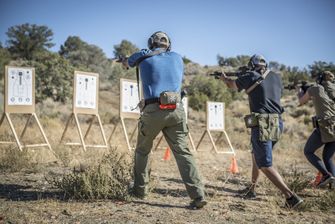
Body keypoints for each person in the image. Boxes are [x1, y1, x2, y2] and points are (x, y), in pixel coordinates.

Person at [125, 31, 207, 209]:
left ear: (150, 43)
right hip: (176, 110)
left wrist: (126, 59)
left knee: (142, 151)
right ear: (168, 45)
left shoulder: (143, 56)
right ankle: (198, 195)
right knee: (183, 153)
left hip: (153, 110)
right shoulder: (178, 58)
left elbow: (129, 62)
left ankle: (140, 191)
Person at [220, 54, 303, 208]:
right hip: (277, 121)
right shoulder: (276, 77)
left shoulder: (251, 75)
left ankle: (291, 197)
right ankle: (251, 189)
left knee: (264, 163)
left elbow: (232, 86)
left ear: (252, 65)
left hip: (263, 122)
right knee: (255, 155)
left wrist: (224, 78)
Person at [298, 71, 335, 188]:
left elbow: (301, 101)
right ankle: (333, 187)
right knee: (327, 157)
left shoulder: (315, 88)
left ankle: (326, 175)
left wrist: (299, 90)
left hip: (325, 126)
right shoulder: (332, 89)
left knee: (308, 151)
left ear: (320, 79)